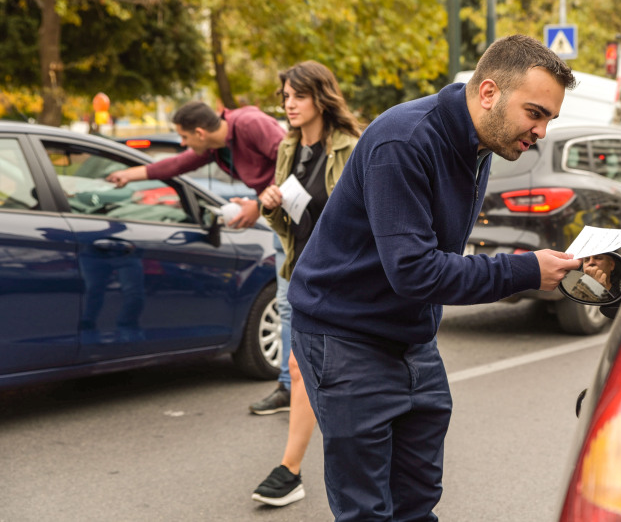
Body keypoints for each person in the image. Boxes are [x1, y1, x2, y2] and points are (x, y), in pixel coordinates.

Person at [287, 34, 583, 521]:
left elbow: (432, 258)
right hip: (344, 337)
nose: (542, 130)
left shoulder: (482, 144)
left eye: (549, 117)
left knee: (418, 500)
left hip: (411, 340)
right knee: (368, 512)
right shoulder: (403, 140)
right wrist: (526, 270)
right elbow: (414, 269)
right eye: (535, 112)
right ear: (488, 93)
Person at [105, 101, 297, 414]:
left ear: (199, 132)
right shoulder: (215, 146)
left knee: (302, 305)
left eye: (183, 137)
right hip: (279, 221)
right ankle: (289, 387)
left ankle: (320, 382)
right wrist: (130, 175)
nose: (182, 143)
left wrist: (256, 205)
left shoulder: (249, 123)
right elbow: (176, 165)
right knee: (288, 307)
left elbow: (294, 164)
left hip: (303, 222)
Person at [250, 61, 361, 507]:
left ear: (320, 96)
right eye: (285, 97)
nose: (289, 104)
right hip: (301, 273)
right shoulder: (288, 148)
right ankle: (293, 470)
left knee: (313, 370)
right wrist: (271, 204)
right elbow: (288, 222)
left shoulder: (351, 148)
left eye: (297, 96)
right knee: (304, 369)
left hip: (340, 279)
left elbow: (361, 218)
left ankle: (294, 469)